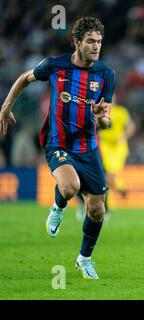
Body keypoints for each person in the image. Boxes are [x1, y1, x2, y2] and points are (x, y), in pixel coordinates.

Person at [0, 17, 115, 280]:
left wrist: (101, 118)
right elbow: (24, 79)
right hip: (58, 142)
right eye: (90, 41)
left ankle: (84, 259)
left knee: (97, 209)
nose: (96, 46)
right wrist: (6, 108)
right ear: (77, 42)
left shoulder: (106, 74)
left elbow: (106, 123)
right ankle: (58, 207)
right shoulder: (54, 66)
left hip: (88, 146)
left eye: (99, 41)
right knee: (69, 186)